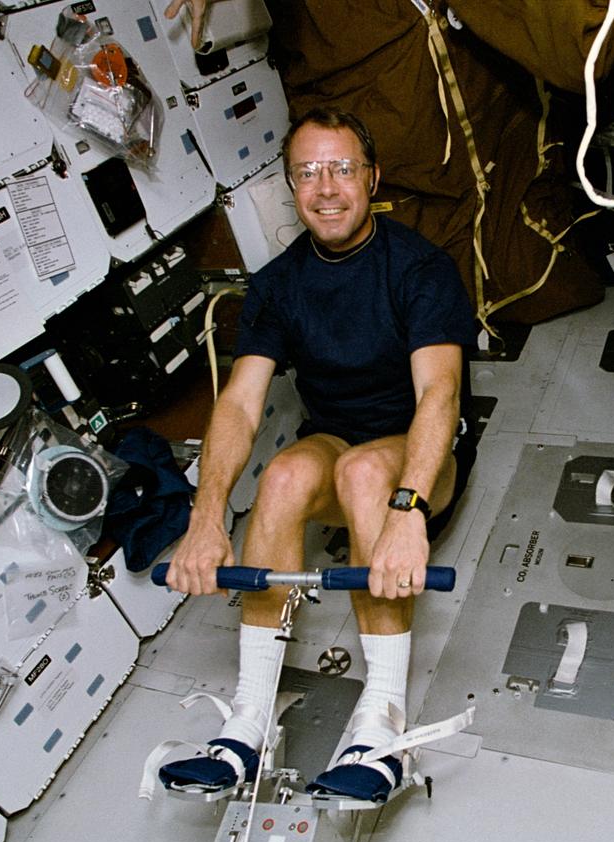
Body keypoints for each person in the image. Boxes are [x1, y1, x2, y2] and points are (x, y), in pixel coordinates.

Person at [157, 106, 477, 804]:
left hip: (422, 456)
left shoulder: (420, 268)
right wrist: (206, 515)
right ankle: (246, 722)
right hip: (339, 440)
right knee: (283, 472)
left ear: (373, 178)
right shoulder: (277, 285)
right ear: (290, 185)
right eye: (308, 171)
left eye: (341, 168)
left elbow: (439, 395)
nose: (326, 187)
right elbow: (240, 404)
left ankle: (383, 718)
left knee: (367, 474)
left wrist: (408, 507)